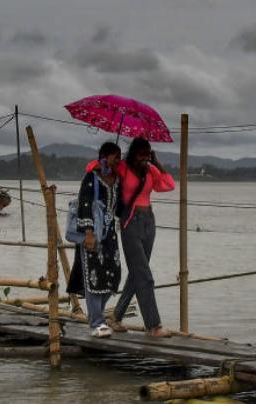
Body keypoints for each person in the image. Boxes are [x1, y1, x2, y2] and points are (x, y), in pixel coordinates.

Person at [109, 137, 175, 337]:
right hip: (130, 222)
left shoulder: (150, 170)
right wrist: (109, 161)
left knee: (137, 273)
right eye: (141, 155)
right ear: (133, 154)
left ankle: (115, 317)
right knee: (145, 275)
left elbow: (168, 185)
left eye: (147, 154)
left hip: (149, 222)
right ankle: (153, 326)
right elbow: (94, 167)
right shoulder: (123, 168)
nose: (144, 158)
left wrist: (156, 163)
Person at [67, 141, 122, 337]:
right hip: (91, 235)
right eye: (116, 157)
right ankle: (96, 323)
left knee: (112, 277)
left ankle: (97, 315)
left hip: (109, 237)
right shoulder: (92, 177)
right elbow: (84, 204)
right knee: (93, 278)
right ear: (105, 157)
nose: (118, 161)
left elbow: (120, 208)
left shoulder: (116, 180)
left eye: (120, 157)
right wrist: (88, 233)